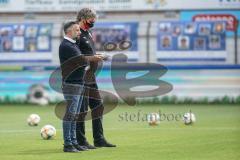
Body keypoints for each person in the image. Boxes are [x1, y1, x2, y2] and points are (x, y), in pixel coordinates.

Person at [59, 21, 104, 152]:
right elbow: (81, 60)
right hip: (71, 84)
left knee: (75, 115)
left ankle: (74, 142)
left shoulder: (72, 44)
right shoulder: (67, 45)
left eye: (79, 30)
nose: (79, 32)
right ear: (69, 32)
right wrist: (97, 58)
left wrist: (93, 58)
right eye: (76, 30)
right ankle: (68, 144)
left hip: (78, 82)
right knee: (70, 115)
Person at [75, 8, 116, 148]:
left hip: (91, 77)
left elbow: (88, 53)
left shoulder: (88, 33)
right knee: (82, 109)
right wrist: (94, 58)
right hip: (82, 77)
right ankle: (81, 141)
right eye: (91, 19)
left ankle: (99, 139)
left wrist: (99, 55)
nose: (94, 21)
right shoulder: (77, 33)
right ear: (83, 18)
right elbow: (76, 57)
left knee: (98, 106)